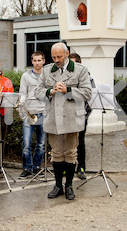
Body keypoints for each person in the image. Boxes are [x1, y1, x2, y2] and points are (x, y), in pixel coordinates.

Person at [35, 43, 92, 200]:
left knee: (70, 153)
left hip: (72, 117)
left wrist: (69, 90)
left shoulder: (80, 70)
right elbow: (37, 92)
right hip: (53, 118)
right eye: (54, 57)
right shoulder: (46, 70)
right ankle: (58, 185)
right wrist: (50, 91)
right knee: (57, 153)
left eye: (59, 57)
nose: (56, 60)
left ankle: (69, 186)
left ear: (67, 53)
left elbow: (87, 93)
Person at [18, 51, 46, 179]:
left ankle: (37, 166)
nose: (37, 63)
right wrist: (21, 101)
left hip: (43, 112)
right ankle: (27, 168)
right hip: (29, 113)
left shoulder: (47, 76)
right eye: (35, 60)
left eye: (39, 60)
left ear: (43, 61)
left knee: (41, 143)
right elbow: (23, 92)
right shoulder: (26, 76)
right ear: (32, 61)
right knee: (26, 143)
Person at [68, 52, 95, 180]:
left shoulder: (87, 76)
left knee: (80, 142)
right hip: (68, 112)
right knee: (67, 142)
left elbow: (89, 93)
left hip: (81, 112)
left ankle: (81, 167)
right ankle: (68, 167)